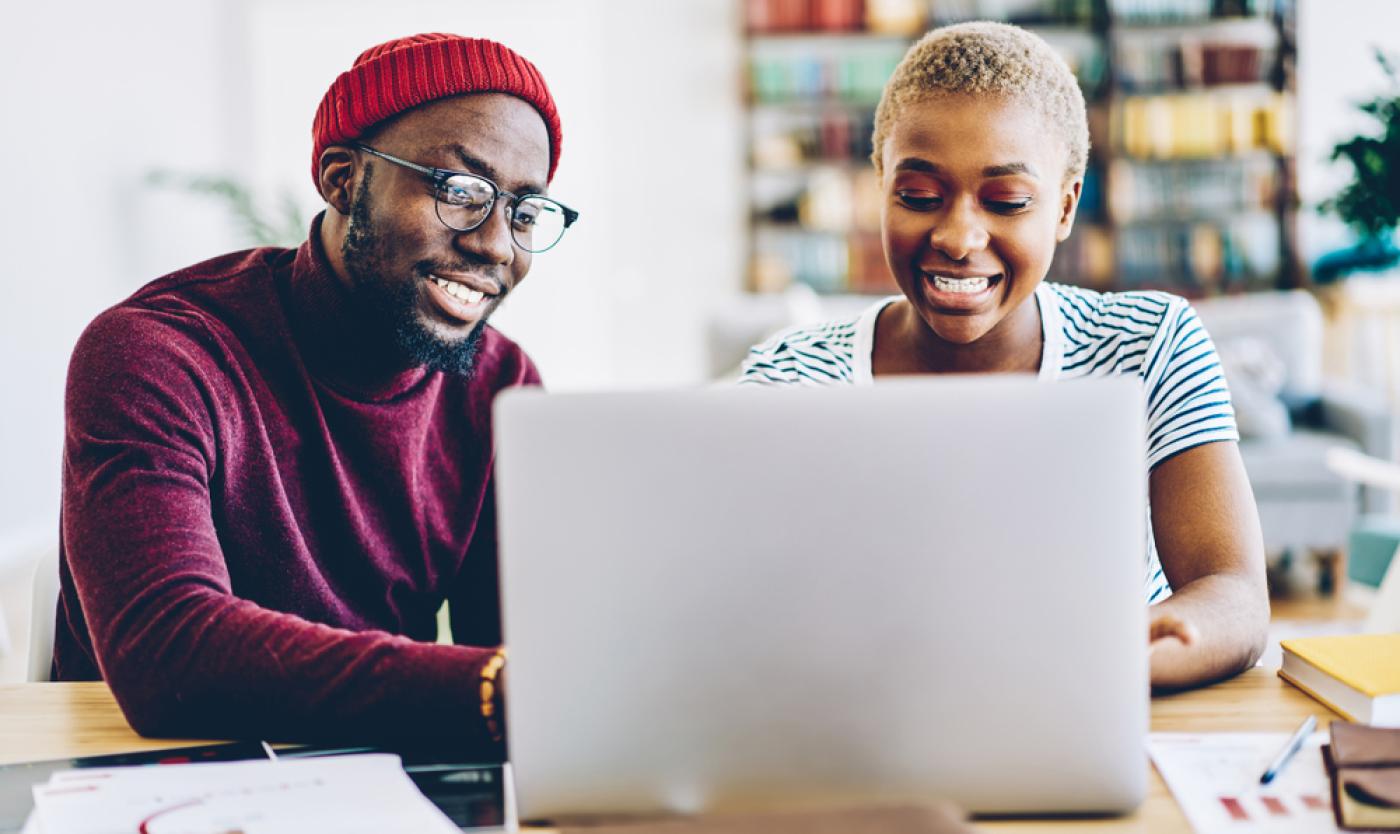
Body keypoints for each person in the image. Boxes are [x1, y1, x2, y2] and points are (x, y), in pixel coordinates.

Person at [55, 33, 578, 753]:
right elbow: (168, 655)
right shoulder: (160, 353)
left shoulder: (501, 386)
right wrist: (492, 691)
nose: (495, 245)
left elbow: (524, 663)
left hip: (379, 779)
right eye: (461, 192)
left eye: (523, 213)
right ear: (342, 179)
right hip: (150, 782)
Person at [739, 22, 1269, 692]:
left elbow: (1235, 595)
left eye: (1008, 201)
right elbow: (744, 614)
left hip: (1096, 713)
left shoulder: (1149, 345)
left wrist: (1125, 660)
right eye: (920, 197)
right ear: (882, 188)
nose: (959, 237)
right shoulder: (788, 378)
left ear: (1066, 206)